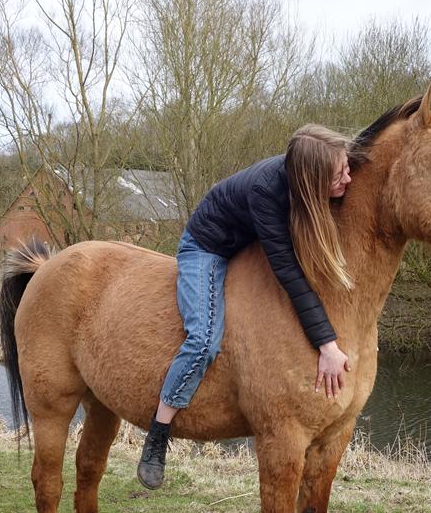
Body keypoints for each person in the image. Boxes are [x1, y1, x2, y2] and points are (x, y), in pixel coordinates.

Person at [137, 124, 355, 489]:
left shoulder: (312, 174)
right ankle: (158, 433)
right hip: (207, 248)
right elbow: (288, 272)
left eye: (347, 166)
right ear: (311, 181)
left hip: (245, 243)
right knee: (203, 339)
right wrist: (327, 344)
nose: (349, 177)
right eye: (340, 174)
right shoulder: (266, 193)